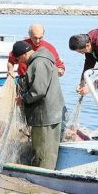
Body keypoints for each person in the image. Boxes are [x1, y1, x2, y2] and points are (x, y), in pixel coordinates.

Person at [13, 40, 66, 170]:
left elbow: (39, 91)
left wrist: (23, 99)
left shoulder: (39, 63)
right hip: (48, 115)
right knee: (43, 150)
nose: (20, 62)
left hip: (46, 117)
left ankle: (43, 181)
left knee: (44, 153)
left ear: (23, 55)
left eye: (19, 59)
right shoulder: (40, 60)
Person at [69, 28, 98, 140]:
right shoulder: (88, 40)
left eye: (81, 52)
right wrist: (82, 82)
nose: (81, 54)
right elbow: (89, 62)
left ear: (87, 45)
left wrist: (90, 88)